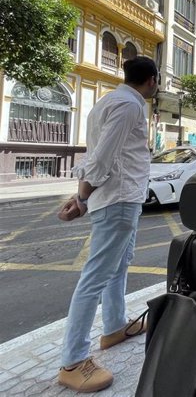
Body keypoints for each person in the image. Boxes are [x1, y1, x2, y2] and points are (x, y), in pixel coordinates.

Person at [57, 57, 158, 393]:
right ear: (152, 81)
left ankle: (114, 326)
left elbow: (95, 153)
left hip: (120, 198)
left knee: (118, 266)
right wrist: (83, 198)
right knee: (96, 275)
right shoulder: (130, 107)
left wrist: (82, 193)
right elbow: (101, 157)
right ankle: (72, 361)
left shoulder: (106, 102)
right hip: (117, 199)